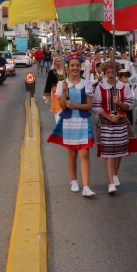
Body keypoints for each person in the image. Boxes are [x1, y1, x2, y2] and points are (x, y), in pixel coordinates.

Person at [46, 53, 96, 197]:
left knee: (85, 153)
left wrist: (74, 104)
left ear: (80, 66)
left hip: (82, 120)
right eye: (72, 65)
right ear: (67, 67)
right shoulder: (62, 84)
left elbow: (89, 106)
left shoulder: (86, 84)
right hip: (69, 121)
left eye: (77, 65)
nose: (74, 68)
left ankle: (86, 186)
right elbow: (62, 106)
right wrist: (65, 91)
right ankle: (74, 181)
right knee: (72, 153)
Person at [93, 61, 133, 194]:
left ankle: (115, 175)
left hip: (120, 122)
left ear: (117, 73)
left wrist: (120, 103)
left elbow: (129, 105)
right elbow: (97, 107)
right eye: (108, 72)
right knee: (108, 153)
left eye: (112, 72)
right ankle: (110, 183)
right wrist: (109, 117)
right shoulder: (100, 87)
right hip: (106, 123)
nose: (110, 75)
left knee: (118, 151)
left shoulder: (123, 86)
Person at [43, 56, 66, 123]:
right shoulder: (51, 72)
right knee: (57, 110)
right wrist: (46, 95)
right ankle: (58, 124)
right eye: (57, 61)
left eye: (60, 61)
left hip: (65, 91)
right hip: (55, 92)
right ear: (54, 63)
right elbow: (48, 83)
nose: (59, 62)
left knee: (65, 107)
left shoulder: (66, 71)